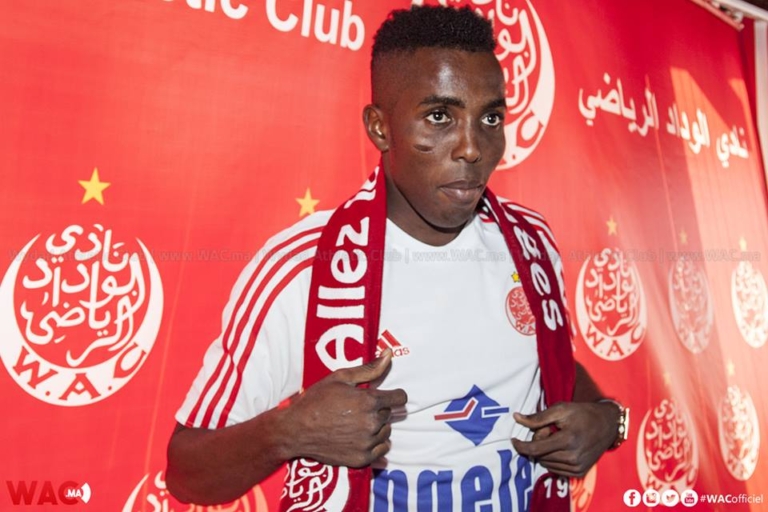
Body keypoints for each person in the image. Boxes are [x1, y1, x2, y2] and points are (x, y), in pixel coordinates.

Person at [166, 5, 627, 511]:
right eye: (440, 117)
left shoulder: (531, 241)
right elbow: (187, 473)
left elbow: (544, 360)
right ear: (380, 128)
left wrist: (608, 419)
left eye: (490, 118)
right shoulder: (303, 266)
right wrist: (287, 432)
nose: (472, 148)